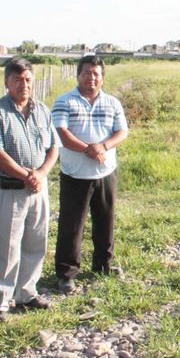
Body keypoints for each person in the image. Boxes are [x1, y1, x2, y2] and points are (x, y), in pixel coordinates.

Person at [0, 58, 58, 322]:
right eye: (17, 80)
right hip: (10, 187)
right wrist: (25, 175)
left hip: (38, 186)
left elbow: (53, 147)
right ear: (7, 83)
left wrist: (41, 174)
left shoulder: (42, 111)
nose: (23, 85)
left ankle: (26, 293)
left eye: (27, 80)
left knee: (36, 241)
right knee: (7, 245)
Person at [52, 55, 128, 293]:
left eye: (96, 74)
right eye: (86, 73)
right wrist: (89, 149)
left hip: (105, 172)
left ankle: (102, 266)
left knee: (105, 221)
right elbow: (61, 133)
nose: (91, 78)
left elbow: (122, 132)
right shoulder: (64, 102)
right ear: (78, 75)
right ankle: (66, 273)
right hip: (74, 174)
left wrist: (102, 147)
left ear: (102, 78)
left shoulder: (113, 103)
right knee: (71, 225)